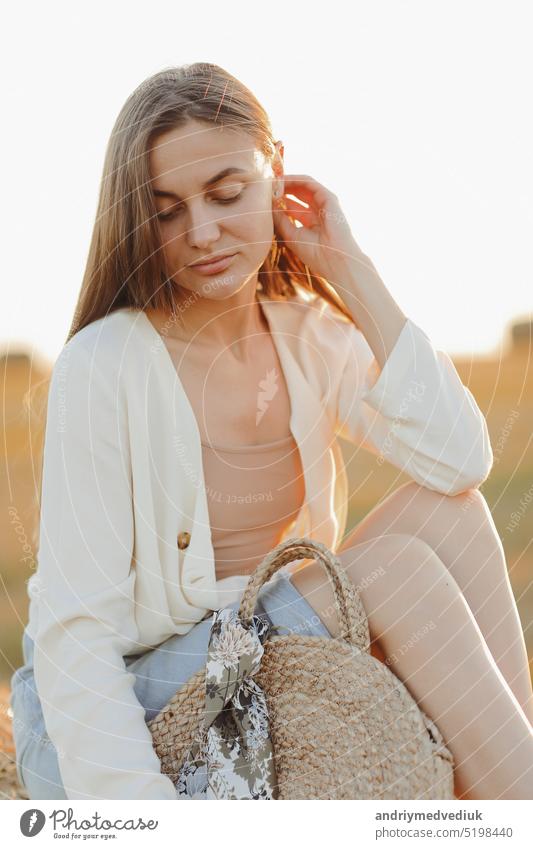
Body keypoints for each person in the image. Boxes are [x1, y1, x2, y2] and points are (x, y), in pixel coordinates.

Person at [10, 62, 533, 801]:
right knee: (397, 572)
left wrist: (350, 270)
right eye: (166, 211)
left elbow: (459, 461)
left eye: (228, 194)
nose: (202, 233)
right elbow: (76, 638)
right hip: (128, 700)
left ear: (275, 172)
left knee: (451, 514)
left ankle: (504, 786)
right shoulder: (104, 363)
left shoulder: (306, 335)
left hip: (250, 647)